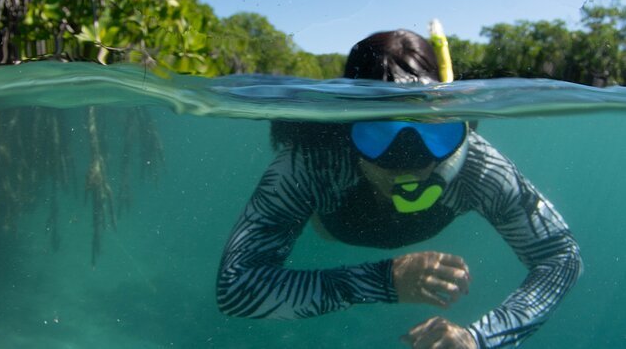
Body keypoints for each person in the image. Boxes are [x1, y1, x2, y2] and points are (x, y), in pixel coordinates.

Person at [216, 26, 582, 348]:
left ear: (456, 125)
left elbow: (561, 258)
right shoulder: (315, 161)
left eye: (433, 134)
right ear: (346, 128)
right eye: (380, 135)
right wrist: (383, 280)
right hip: (331, 226)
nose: (410, 162)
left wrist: (478, 339)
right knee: (323, 233)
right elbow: (236, 288)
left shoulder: (477, 166)